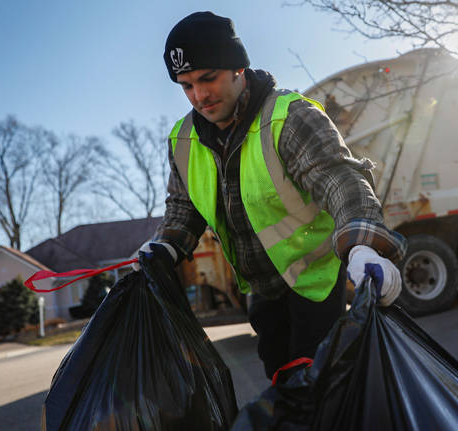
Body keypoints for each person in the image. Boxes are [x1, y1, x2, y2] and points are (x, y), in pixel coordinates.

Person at [139, 11, 407, 379]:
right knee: (284, 385)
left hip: (315, 281)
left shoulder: (288, 117)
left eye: (208, 78)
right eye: (186, 85)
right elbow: (183, 208)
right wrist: (163, 247)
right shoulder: (182, 141)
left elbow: (338, 179)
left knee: (324, 384)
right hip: (262, 289)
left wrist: (363, 245)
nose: (199, 96)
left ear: (237, 67)